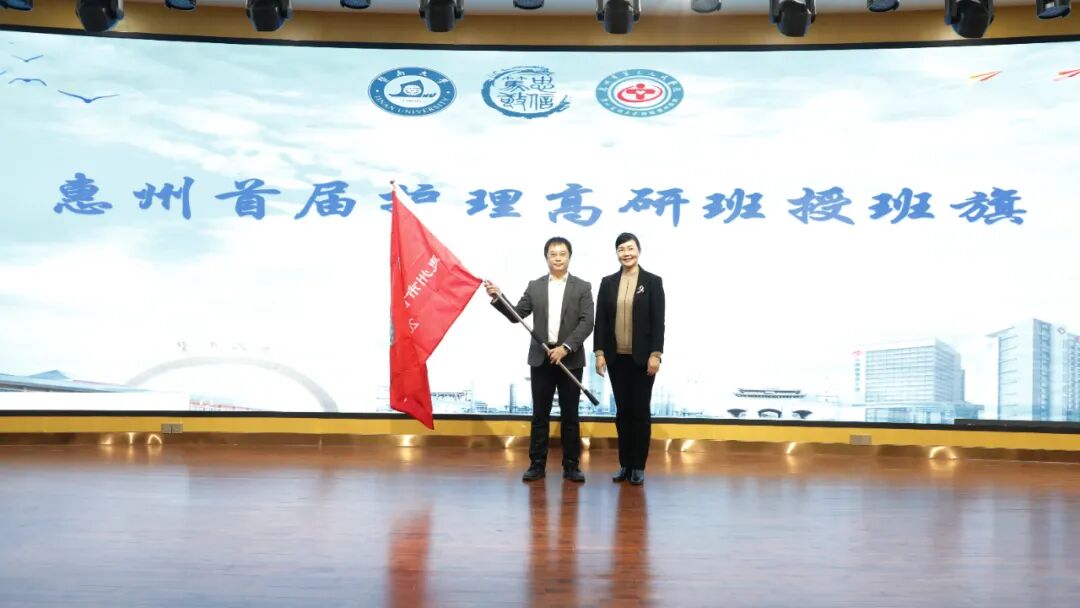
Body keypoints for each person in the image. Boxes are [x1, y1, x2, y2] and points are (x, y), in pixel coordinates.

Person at [484, 237, 595, 483]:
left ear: (569, 257)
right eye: (553, 254)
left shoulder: (582, 287)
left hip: (570, 359)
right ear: (546, 258)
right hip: (541, 358)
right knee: (540, 414)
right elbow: (516, 315)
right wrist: (498, 297)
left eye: (562, 253)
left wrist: (565, 348)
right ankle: (536, 465)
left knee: (570, 415)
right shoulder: (535, 286)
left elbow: (587, 322)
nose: (558, 258)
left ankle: (571, 465)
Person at [594, 232, 665, 486]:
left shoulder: (652, 282)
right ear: (617, 253)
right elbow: (601, 320)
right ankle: (624, 464)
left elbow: (658, 321)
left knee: (640, 412)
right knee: (623, 412)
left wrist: (656, 354)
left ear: (639, 251)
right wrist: (599, 353)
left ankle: (638, 466)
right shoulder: (607, 282)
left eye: (630, 248)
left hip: (643, 359)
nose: (626, 253)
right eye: (621, 249)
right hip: (616, 358)